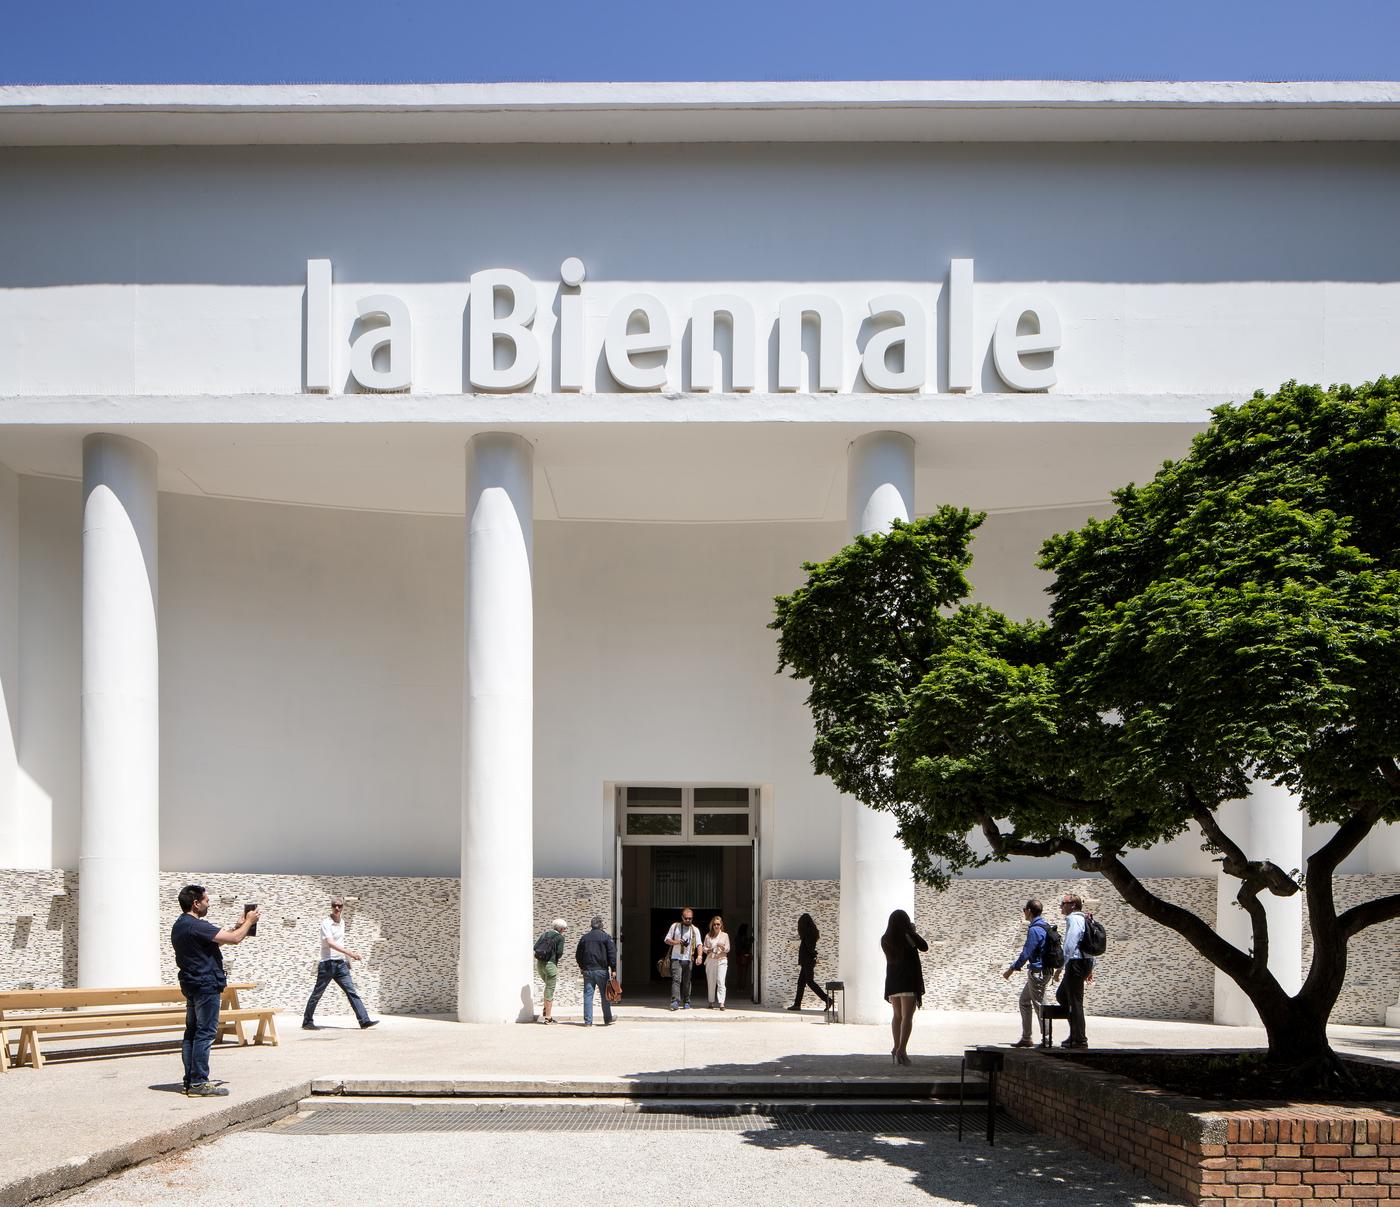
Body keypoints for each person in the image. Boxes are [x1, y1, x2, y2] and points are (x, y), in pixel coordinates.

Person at [170, 884, 260, 1097]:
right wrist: (249, 922)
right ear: (196, 903)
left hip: (191, 984)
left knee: (192, 1033)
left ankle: (190, 1081)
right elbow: (235, 939)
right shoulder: (196, 924)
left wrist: (237, 926)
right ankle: (199, 1082)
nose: (208, 904)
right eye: (207, 901)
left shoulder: (180, 925)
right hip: (206, 985)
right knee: (205, 1032)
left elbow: (215, 942)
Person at [302, 896, 379, 1031]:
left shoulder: (342, 922)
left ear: (343, 907)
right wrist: (350, 953)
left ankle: (364, 1021)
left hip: (341, 964)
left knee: (352, 992)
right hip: (327, 964)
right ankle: (307, 1022)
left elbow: (340, 943)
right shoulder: (326, 923)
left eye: (340, 906)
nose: (337, 908)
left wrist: (346, 959)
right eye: (334, 905)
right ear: (331, 907)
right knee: (317, 993)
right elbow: (330, 943)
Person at [881, 909, 928, 1065]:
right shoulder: (908, 936)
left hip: (893, 982)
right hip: (908, 980)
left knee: (897, 1016)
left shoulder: (885, 938)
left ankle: (896, 1047)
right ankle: (902, 1050)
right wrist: (912, 931)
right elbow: (924, 946)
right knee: (907, 1017)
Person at [1002, 897, 1050, 1047]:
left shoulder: (1035, 929)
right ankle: (1026, 1037)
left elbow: (1026, 953)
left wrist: (1011, 969)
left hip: (1037, 972)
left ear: (1029, 911)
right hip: (1044, 970)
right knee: (1024, 1001)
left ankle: (1047, 1039)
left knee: (1039, 1004)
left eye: (1024, 910)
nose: (1023, 912)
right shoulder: (1046, 926)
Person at [1053, 892, 1092, 1049]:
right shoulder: (1084, 918)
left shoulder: (1073, 919)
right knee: (1062, 996)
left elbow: (1069, 945)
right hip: (1083, 962)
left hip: (1075, 963)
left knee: (1075, 1001)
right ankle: (1075, 1034)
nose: (1061, 906)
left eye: (1063, 903)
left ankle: (1080, 1039)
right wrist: (1090, 967)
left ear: (1072, 905)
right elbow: (1087, 945)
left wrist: (1059, 967)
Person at [575, 914, 618, 1026]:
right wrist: (613, 968)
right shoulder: (605, 937)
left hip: (588, 971)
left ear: (591, 925)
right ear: (601, 925)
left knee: (588, 995)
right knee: (605, 995)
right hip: (601, 971)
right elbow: (612, 954)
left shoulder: (584, 938)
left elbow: (578, 955)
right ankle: (607, 1019)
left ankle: (588, 1022)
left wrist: (581, 967)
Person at [787, 912, 832, 1012]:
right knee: (801, 983)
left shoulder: (808, 934)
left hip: (807, 961)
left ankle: (827, 1000)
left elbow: (809, 948)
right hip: (807, 962)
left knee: (810, 982)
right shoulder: (810, 933)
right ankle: (797, 1004)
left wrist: (814, 956)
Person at [664, 906, 702, 1010]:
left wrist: (699, 956)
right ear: (682, 917)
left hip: (689, 959)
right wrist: (676, 942)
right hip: (676, 958)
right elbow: (666, 939)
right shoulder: (675, 926)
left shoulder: (695, 930)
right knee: (676, 980)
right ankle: (675, 1001)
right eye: (686, 918)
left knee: (687, 981)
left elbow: (699, 944)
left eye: (690, 918)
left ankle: (687, 1001)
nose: (688, 920)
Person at [533, 918, 568, 1024]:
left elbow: (535, 947)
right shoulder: (560, 937)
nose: (564, 931)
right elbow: (560, 953)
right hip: (550, 965)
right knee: (550, 990)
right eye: (564, 929)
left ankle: (545, 1009)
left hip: (539, 965)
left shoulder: (545, 934)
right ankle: (548, 1017)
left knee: (547, 987)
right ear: (561, 929)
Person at [702, 915, 731, 1009]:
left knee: (721, 981)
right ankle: (711, 1001)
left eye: (718, 924)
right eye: (714, 924)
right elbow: (703, 947)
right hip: (711, 960)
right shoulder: (708, 935)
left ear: (721, 925)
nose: (716, 926)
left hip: (721, 960)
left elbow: (728, 948)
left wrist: (723, 948)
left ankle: (722, 1003)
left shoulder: (725, 935)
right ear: (712, 925)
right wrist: (708, 950)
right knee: (711, 982)